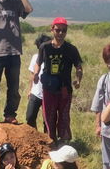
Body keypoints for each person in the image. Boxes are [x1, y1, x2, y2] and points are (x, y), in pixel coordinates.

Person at [33, 17, 83, 145]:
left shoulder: (71, 49)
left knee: (64, 116)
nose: (60, 33)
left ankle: (64, 140)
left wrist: (78, 79)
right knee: (49, 115)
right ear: (52, 29)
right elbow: (38, 62)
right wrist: (36, 73)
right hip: (49, 87)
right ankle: (51, 140)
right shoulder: (45, 47)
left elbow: (78, 66)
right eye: (58, 30)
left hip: (65, 88)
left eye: (63, 31)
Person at [25, 33, 51, 130]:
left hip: (49, 93)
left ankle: (48, 140)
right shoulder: (35, 57)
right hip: (35, 92)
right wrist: (30, 90)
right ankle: (34, 138)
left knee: (48, 120)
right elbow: (32, 75)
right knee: (30, 116)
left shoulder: (52, 58)